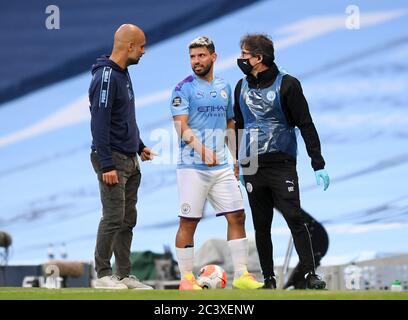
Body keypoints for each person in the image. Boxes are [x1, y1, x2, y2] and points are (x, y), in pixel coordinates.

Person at [234, 33, 330, 289]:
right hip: (252, 164)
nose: (241, 59)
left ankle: (310, 274)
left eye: (244, 54)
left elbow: (306, 125)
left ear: (258, 58)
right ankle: (269, 280)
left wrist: (317, 163)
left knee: (294, 217)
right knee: (261, 226)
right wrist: (238, 163)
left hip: (281, 163)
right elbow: (239, 128)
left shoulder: (288, 84)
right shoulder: (239, 87)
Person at [170, 36, 264, 290]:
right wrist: (202, 150)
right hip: (192, 167)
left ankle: (242, 275)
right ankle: (187, 279)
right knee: (188, 222)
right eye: (192, 57)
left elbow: (230, 124)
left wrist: (236, 158)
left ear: (213, 57)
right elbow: (181, 125)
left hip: (221, 167)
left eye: (201, 56)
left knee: (237, 216)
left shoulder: (224, 86)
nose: (196, 61)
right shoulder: (183, 88)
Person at [89, 24, 156, 289]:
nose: (143, 52)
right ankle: (103, 274)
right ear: (129, 46)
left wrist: (139, 146)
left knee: (128, 220)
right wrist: (106, 163)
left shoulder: (123, 73)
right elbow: (99, 122)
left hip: (130, 158)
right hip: (112, 160)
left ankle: (124, 274)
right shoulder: (106, 77)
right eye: (141, 47)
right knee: (113, 217)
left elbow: (124, 116)